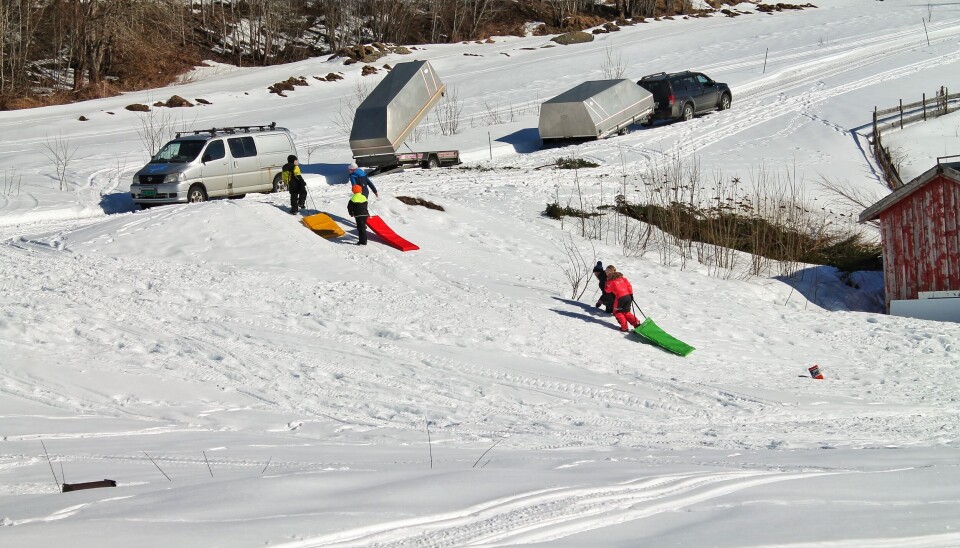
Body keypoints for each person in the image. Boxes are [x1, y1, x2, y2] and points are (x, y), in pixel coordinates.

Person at [604, 265, 641, 332]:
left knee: (618, 312)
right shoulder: (622, 278)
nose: (605, 272)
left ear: (609, 272)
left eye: (606, 271)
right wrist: (631, 294)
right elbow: (629, 286)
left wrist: (606, 282)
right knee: (626, 312)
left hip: (620, 298)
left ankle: (624, 327)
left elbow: (607, 290)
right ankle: (636, 323)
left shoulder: (610, 281)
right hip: (628, 297)